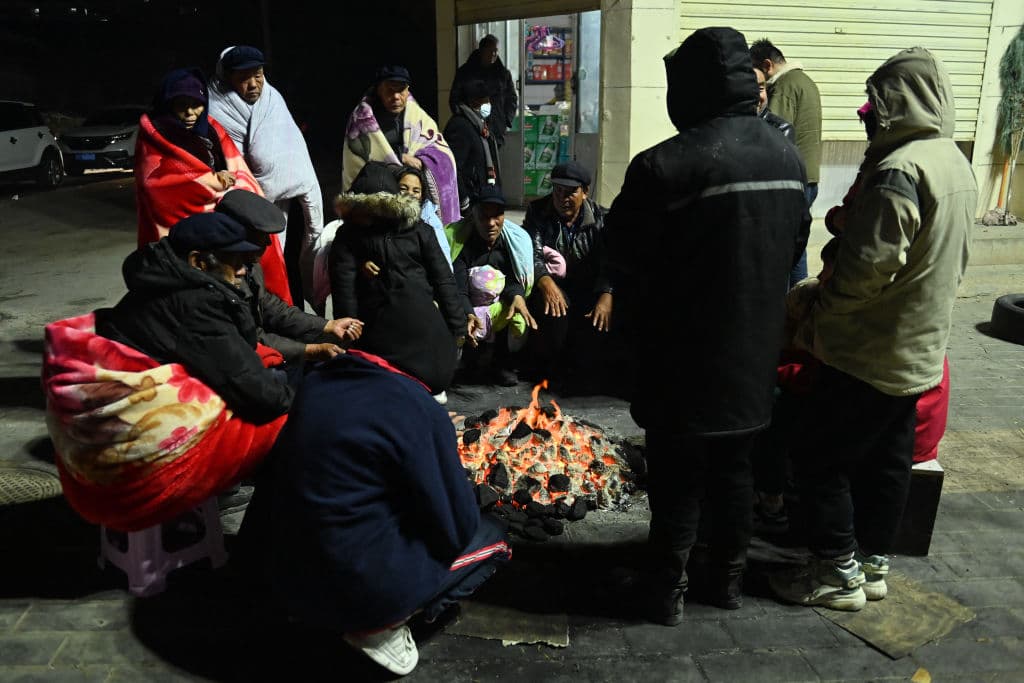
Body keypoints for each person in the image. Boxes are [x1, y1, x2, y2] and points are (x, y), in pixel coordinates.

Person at [604, 27, 809, 625]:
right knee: (735, 470)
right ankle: (725, 582)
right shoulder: (786, 157)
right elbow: (793, 244)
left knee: (676, 475)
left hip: (681, 358)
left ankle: (665, 590)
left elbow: (624, 257)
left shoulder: (664, 166)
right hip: (752, 354)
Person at [770, 47, 975, 612]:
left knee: (821, 459)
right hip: (918, 348)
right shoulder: (952, 161)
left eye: (874, 109)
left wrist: (817, 308)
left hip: (866, 349)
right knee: (888, 461)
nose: (867, 120)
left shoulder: (900, 171)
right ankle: (872, 564)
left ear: (897, 104)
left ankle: (836, 572)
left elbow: (864, 271)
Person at [237, 349, 511, 676]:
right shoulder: (417, 409)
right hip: (356, 591)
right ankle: (385, 626)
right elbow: (456, 528)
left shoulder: (317, 384)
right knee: (495, 537)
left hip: (280, 574)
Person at [95, 212, 294, 425]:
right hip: (131, 407)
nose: (242, 271)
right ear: (198, 261)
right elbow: (253, 389)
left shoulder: (170, 277)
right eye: (234, 262)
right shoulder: (196, 303)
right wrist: (299, 400)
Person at [134, 67, 292, 306]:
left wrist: (230, 187)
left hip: (226, 218)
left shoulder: (210, 128)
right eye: (181, 105)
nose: (190, 113)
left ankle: (268, 317)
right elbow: (156, 184)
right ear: (167, 104)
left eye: (196, 104)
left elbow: (238, 169)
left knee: (258, 261)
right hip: (190, 231)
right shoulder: (154, 136)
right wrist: (214, 181)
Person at [329, 161, 466, 397]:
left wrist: (457, 325)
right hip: (413, 350)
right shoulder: (415, 230)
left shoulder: (416, 230)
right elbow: (344, 290)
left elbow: (443, 278)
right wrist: (457, 327)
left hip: (406, 343)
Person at [208, 45, 325, 312]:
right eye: (243, 78)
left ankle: (297, 314)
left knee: (294, 261)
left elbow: (293, 146)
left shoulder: (273, 97)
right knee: (263, 268)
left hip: (297, 200)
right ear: (227, 79)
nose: (253, 85)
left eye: (258, 75)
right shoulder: (215, 110)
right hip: (254, 205)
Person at [213, 189, 363, 368]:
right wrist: (310, 351)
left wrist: (328, 325)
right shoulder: (220, 273)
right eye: (261, 236)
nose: (268, 244)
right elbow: (251, 338)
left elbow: (270, 307)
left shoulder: (249, 264)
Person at [522, 161, 619, 393]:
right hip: (555, 286)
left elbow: (612, 260)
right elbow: (530, 253)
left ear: (585, 192)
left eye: (570, 192)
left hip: (589, 287)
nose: (562, 198)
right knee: (553, 314)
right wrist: (545, 281)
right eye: (557, 190)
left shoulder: (602, 219)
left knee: (598, 325)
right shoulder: (538, 211)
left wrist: (607, 294)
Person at [342, 65, 460, 225]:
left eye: (401, 90)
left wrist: (422, 160)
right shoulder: (362, 120)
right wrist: (399, 158)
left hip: (416, 198)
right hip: (380, 203)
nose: (396, 96)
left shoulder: (418, 115)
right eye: (390, 90)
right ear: (379, 90)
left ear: (408, 89)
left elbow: (442, 151)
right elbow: (357, 165)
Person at [446, 186, 538, 387]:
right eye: (483, 216)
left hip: (498, 307)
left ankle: (501, 364)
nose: (491, 224)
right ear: (473, 214)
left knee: (509, 309)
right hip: (469, 304)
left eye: (497, 216)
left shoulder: (511, 244)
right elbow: (457, 287)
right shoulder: (461, 244)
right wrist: (469, 314)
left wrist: (517, 297)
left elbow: (514, 280)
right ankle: (469, 362)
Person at [750, 38, 822, 286]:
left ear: (767, 65)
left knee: (788, 247)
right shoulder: (805, 81)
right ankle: (797, 296)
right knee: (796, 243)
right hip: (809, 175)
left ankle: (793, 299)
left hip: (793, 178)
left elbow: (771, 132)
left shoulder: (784, 86)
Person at [449, 34, 518, 149]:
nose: (493, 54)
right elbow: (455, 99)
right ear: (481, 51)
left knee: (494, 164)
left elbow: (512, 98)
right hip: (472, 128)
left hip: (496, 129)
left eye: (495, 51)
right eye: (489, 50)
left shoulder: (503, 74)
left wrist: (505, 121)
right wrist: (463, 119)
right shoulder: (465, 73)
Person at [444, 79, 501, 210]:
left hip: (483, 196)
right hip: (471, 201)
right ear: (474, 101)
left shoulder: (480, 125)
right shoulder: (460, 126)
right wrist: (464, 200)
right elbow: (452, 166)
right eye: (486, 100)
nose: (489, 104)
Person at [754, 67, 794, 142]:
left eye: (760, 89)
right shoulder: (728, 125)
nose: (756, 96)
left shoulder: (781, 129)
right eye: (749, 89)